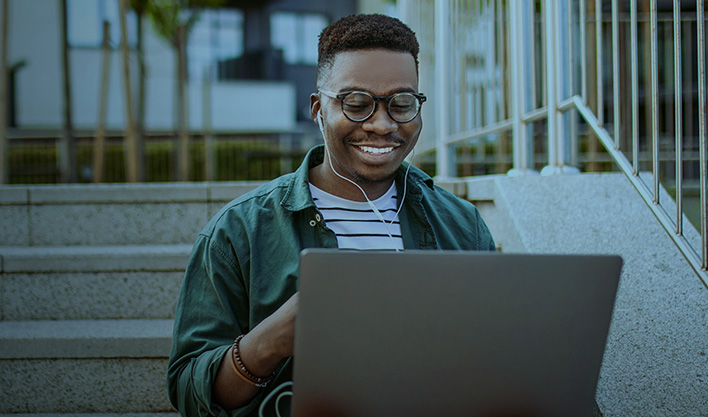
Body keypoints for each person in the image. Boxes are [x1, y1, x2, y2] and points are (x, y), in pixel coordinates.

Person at [167, 13, 496, 417]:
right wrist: (270, 341)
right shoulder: (239, 231)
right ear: (318, 108)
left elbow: (494, 362)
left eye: (402, 104)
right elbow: (189, 390)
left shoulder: (463, 225)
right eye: (357, 104)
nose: (382, 123)